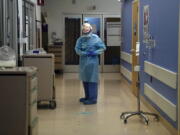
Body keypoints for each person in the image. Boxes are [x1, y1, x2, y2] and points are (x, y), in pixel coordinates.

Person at [75, 23, 106, 105]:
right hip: (83, 63)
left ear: (90, 29)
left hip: (92, 63)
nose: (86, 30)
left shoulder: (96, 38)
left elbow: (103, 48)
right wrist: (83, 53)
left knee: (92, 80)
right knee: (85, 79)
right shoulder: (80, 39)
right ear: (82, 30)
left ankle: (93, 99)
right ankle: (87, 97)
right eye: (84, 29)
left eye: (87, 28)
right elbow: (77, 49)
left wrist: (94, 53)